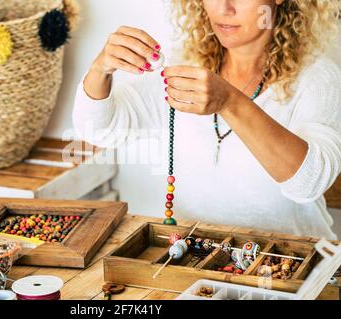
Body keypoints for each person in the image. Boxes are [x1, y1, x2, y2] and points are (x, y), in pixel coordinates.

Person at [73, 0, 341, 239]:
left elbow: (310, 182)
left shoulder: (317, 78)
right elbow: (96, 129)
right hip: (193, 266)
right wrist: (101, 68)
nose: (224, 8)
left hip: (295, 273)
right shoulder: (183, 66)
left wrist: (230, 101)